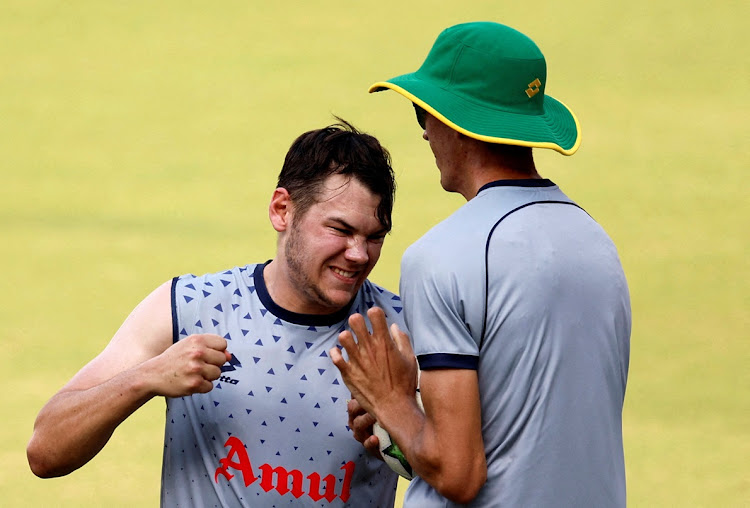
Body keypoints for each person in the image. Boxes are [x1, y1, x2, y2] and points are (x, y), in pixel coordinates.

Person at [27, 119, 407, 507]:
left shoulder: (401, 330)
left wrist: (404, 426)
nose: (359, 254)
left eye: (375, 236)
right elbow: (45, 452)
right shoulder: (189, 306)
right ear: (282, 210)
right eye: (340, 230)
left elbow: (460, 472)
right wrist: (146, 377)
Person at [330, 22, 631, 507]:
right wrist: (404, 427)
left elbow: (459, 473)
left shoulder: (444, 254)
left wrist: (389, 399)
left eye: (423, 112)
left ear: (455, 120)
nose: (425, 132)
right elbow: (530, 435)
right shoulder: (598, 244)